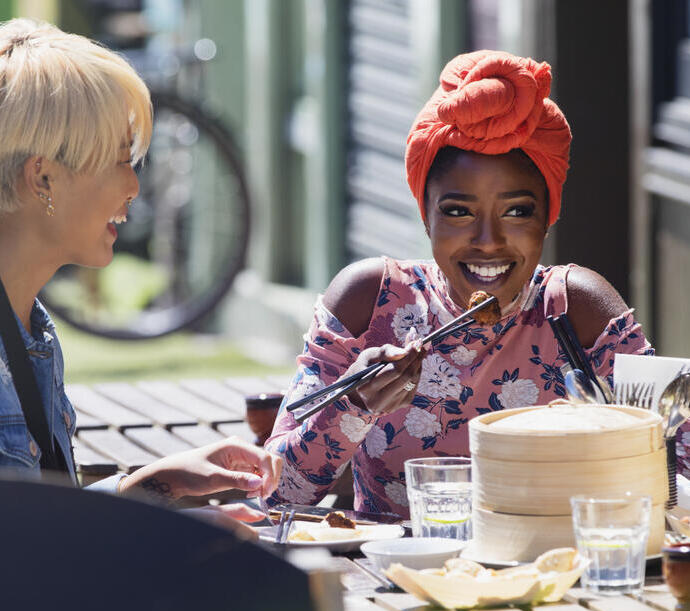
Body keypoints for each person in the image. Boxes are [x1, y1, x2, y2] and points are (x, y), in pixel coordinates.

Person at [266, 49, 654, 515]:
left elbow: (678, 466)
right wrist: (353, 405)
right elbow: (274, 492)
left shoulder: (578, 309)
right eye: (457, 212)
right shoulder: (371, 302)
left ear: (547, 218)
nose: (488, 242)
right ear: (426, 219)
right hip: (387, 581)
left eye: (517, 211)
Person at [0, 19, 280, 524]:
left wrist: (155, 488)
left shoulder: (30, 327)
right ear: (43, 177)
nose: (133, 186)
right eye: (119, 159)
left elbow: (50, 524)